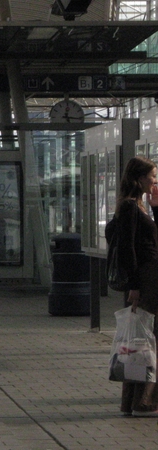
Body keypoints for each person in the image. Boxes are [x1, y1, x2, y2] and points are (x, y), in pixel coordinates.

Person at [109, 156, 158, 417]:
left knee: (139, 342)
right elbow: (128, 248)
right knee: (148, 340)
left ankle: (131, 402)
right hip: (147, 279)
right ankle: (145, 402)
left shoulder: (138, 205)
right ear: (139, 179)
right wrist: (135, 286)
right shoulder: (130, 207)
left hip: (148, 277)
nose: (155, 180)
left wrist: (156, 207)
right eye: (152, 176)